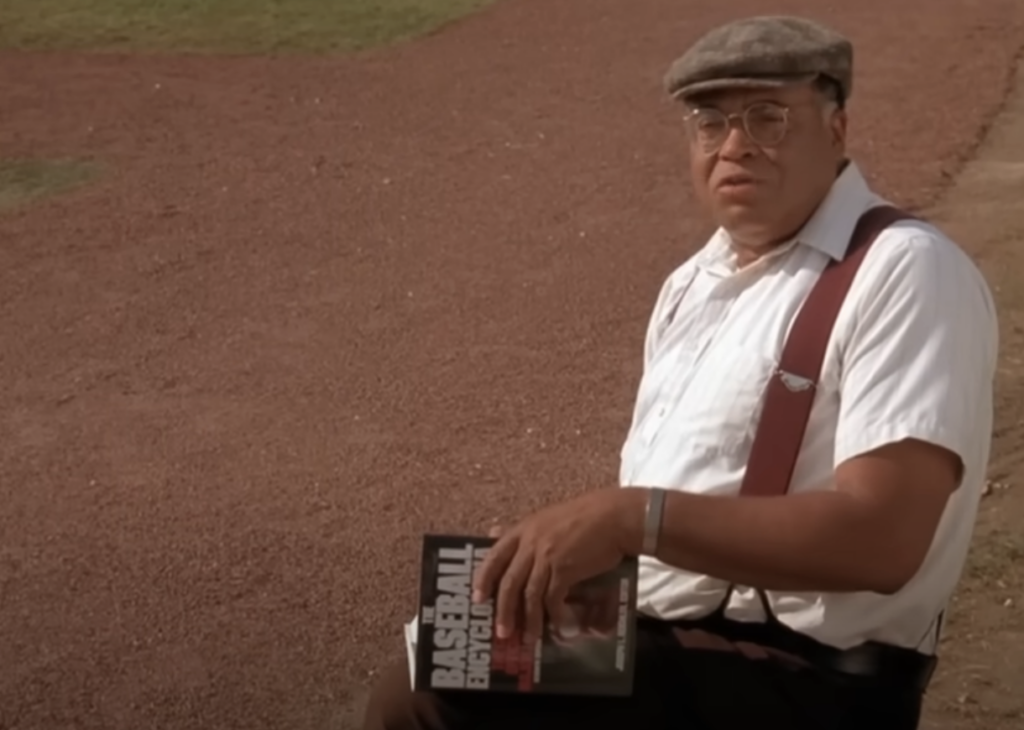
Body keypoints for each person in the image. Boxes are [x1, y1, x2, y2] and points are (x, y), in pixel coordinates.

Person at [362, 14, 998, 730]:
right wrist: (575, 568)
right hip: (673, 650)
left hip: (805, 684)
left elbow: (884, 539)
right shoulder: (690, 287)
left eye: (767, 118)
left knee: (427, 706)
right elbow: (688, 520)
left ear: (837, 129)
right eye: (709, 121)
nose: (734, 146)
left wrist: (632, 518)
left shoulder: (904, 267)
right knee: (446, 657)